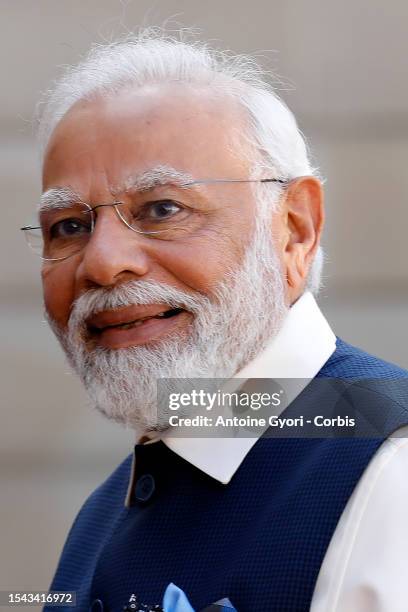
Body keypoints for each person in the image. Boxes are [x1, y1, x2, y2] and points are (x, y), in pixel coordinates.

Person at [23, 30, 408, 611]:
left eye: (162, 209)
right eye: (70, 226)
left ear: (295, 229)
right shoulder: (103, 515)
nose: (102, 263)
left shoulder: (389, 474)